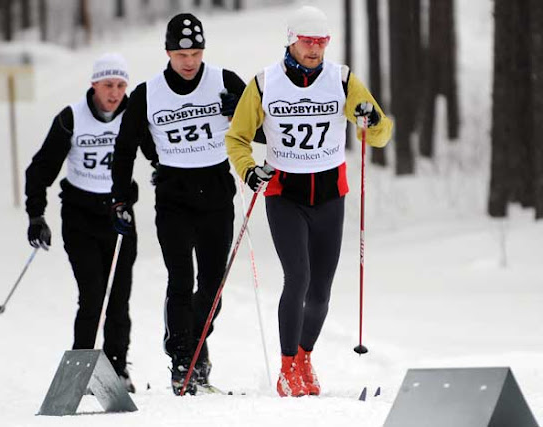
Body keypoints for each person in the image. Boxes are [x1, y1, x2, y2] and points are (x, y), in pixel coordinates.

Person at [226, 6, 393, 397]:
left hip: (330, 196)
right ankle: (286, 368)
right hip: (286, 194)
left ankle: (304, 358)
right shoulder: (265, 83)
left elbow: (380, 133)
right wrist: (249, 170)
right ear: (291, 41)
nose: (315, 49)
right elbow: (237, 138)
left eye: (321, 42)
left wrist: (371, 121)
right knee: (297, 277)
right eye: (307, 41)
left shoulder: (342, 79)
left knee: (320, 289)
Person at [111, 13, 259, 396]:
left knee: (212, 286)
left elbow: (263, 129)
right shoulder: (148, 93)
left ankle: (190, 345)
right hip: (173, 195)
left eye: (195, 53)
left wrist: (239, 112)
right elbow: (124, 148)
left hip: (216, 193)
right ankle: (183, 361)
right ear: (168, 53)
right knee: (180, 279)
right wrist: (120, 197)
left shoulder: (224, 81)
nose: (189, 62)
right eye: (181, 55)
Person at [25, 53, 138, 393]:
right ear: (94, 85)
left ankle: (117, 368)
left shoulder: (133, 114)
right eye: (108, 85)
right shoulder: (71, 118)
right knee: (92, 296)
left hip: (119, 216)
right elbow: (40, 169)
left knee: (118, 299)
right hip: (80, 217)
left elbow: (159, 153)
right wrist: (36, 215)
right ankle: (81, 369)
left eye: (120, 85)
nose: (114, 93)